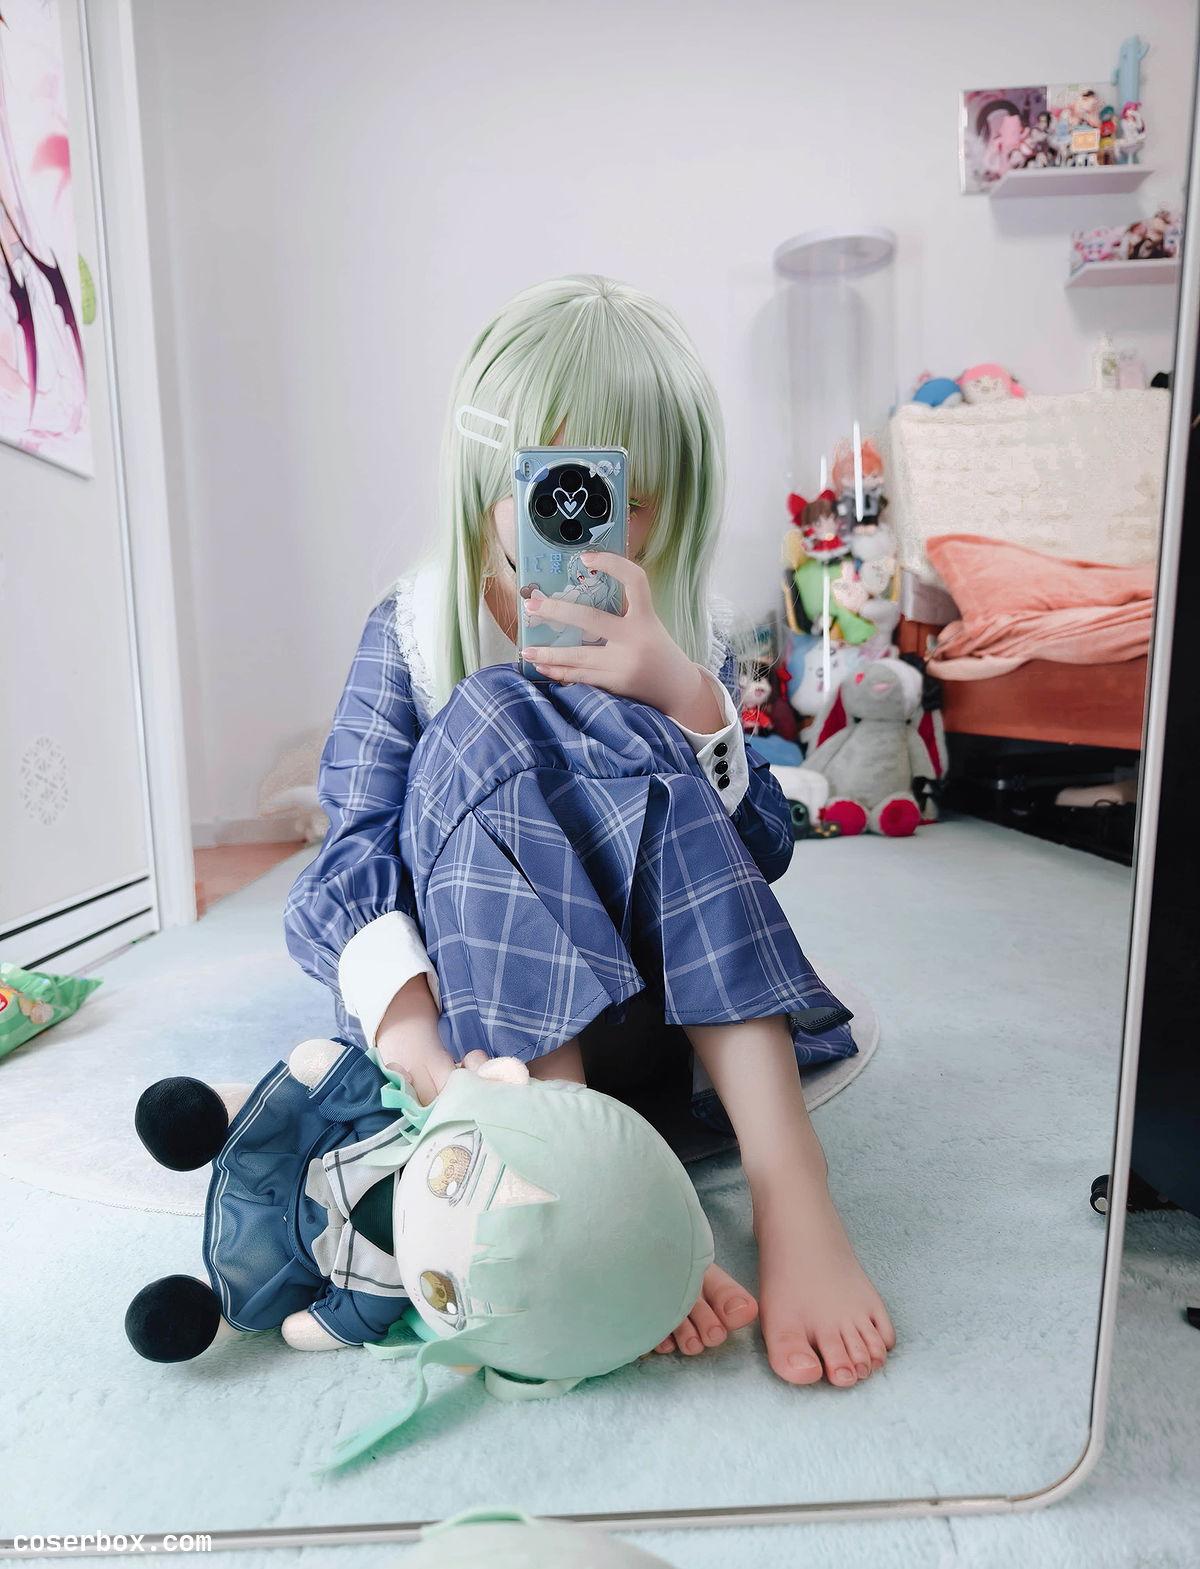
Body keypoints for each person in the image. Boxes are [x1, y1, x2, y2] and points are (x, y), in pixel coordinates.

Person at [283, 274, 895, 1391]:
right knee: (490, 711)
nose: (580, 524)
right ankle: (580, 1185)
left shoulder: (685, 631)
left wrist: (686, 696)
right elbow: (349, 860)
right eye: (548, 485)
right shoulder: (414, 629)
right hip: (490, 1047)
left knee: (636, 729)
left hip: (663, 1015)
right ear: (487, 480)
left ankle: (789, 1181)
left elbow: (760, 851)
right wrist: (424, 1058)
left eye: (620, 496)